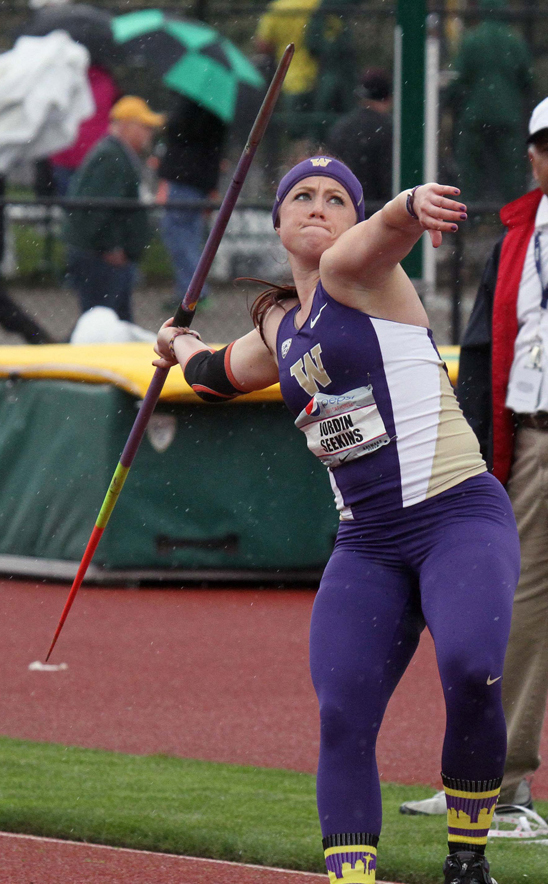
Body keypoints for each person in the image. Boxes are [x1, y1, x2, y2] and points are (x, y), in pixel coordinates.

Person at [153, 155, 520, 884]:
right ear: (278, 222)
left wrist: (411, 203)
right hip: (370, 545)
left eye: (335, 200)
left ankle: (467, 860)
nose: (318, 208)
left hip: (456, 516)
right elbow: (215, 374)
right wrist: (176, 344)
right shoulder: (281, 331)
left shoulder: (361, 275)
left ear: (351, 220)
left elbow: (389, 227)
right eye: (301, 197)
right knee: (343, 714)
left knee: (473, 669)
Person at [400, 95, 548, 823]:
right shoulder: (518, 238)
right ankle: (499, 784)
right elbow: (485, 347)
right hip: (532, 440)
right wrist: (480, 447)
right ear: (533, 156)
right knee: (513, 607)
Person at [62, 95, 164, 322]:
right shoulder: (111, 156)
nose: (149, 133)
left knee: (109, 322)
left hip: (104, 256)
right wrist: (110, 246)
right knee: (103, 324)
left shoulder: (117, 153)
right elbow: (96, 207)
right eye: (145, 126)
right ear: (127, 126)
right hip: (102, 258)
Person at [446, 0, 532, 205]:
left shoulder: (471, 39)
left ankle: (467, 218)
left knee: (469, 172)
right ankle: (514, 221)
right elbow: (527, 79)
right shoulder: (515, 40)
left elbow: (458, 80)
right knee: (511, 173)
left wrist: (451, 104)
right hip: (508, 117)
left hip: (474, 117)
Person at [156, 97, 227, 309]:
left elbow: (178, 135)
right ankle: (192, 291)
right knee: (189, 238)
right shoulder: (217, 113)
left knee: (179, 236)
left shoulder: (192, 111)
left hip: (184, 182)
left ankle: (193, 293)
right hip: (197, 184)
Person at [254, 0, 320, 141]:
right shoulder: (315, 4)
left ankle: (294, 157)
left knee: (291, 132)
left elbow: (263, 43)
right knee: (316, 130)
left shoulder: (277, 8)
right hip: (318, 77)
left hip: (289, 78)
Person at [326, 68, 393, 207]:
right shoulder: (390, 130)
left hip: (344, 208)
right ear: (388, 98)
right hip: (379, 212)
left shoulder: (341, 127)